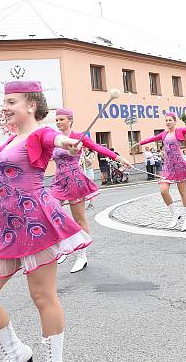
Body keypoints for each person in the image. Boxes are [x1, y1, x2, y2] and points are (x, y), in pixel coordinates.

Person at [0, 81, 89, 362]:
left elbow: (54, 139)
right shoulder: (13, 139)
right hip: (5, 226)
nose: (4, 108)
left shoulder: (42, 133)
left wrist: (65, 142)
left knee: (42, 296)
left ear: (31, 106)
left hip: (35, 222)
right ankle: (17, 352)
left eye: (11, 102)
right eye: (4, 102)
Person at [51, 108, 130, 273]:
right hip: (58, 181)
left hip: (74, 180)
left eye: (61, 119)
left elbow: (98, 148)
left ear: (70, 120)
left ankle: (82, 255)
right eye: (57, 119)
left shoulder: (79, 136)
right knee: (52, 213)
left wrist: (119, 158)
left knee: (79, 219)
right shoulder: (54, 138)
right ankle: (63, 245)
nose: (58, 122)